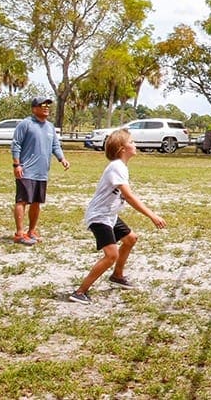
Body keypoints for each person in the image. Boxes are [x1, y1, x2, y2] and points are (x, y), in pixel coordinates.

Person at [69, 129, 166, 304]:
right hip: (100, 217)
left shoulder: (121, 167)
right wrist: (152, 215)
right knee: (111, 255)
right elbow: (128, 197)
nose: (135, 145)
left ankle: (117, 275)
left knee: (130, 239)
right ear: (122, 148)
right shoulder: (116, 167)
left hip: (110, 215)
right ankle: (80, 291)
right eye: (132, 142)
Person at [10, 97, 70, 245]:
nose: (46, 107)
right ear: (34, 108)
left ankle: (31, 231)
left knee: (36, 202)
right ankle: (19, 233)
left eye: (48, 105)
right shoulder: (26, 124)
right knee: (22, 200)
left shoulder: (50, 127)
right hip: (26, 170)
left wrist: (62, 159)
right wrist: (17, 165)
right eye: (42, 105)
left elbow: (55, 145)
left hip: (42, 172)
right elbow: (16, 145)